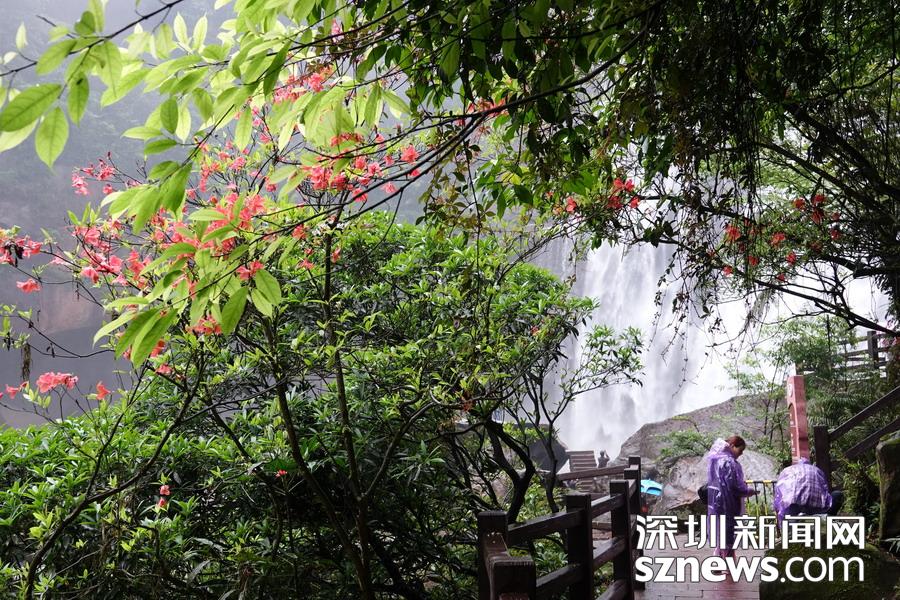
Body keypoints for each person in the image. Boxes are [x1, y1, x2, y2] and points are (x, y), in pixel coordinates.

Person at [706, 435, 758, 558]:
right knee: (728, 535)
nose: (741, 453)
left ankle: (719, 560)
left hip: (716, 503)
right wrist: (749, 491)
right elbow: (735, 487)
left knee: (720, 534)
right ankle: (727, 564)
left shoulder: (715, 460)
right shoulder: (729, 463)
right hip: (728, 504)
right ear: (733, 446)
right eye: (740, 450)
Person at [773, 457, 844, 523]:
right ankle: (828, 518)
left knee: (789, 515)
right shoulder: (817, 470)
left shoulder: (787, 471)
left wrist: (779, 514)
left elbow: (778, 493)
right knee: (837, 494)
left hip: (794, 506)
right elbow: (825, 489)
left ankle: (793, 523)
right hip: (816, 507)